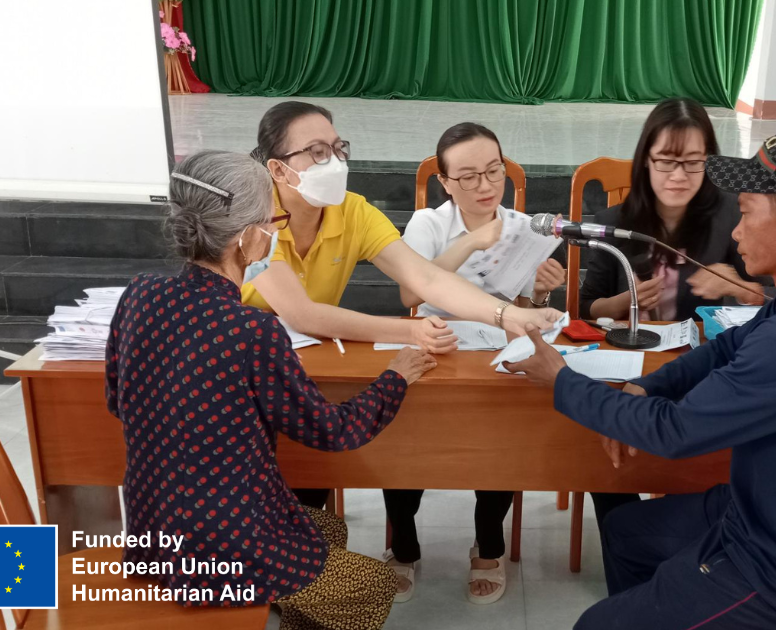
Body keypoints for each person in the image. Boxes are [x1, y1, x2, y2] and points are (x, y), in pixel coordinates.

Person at [506, 123, 776, 630]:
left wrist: (559, 378)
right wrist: (648, 385)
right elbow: (729, 346)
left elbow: (674, 432)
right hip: (761, 517)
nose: (736, 231)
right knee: (626, 532)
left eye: (748, 212)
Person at [105, 150, 439, 630]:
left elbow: (117, 400)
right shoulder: (252, 329)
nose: (276, 229)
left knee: (329, 525)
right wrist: (396, 376)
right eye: (271, 220)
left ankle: (280, 609)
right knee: (370, 585)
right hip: (222, 545)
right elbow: (332, 431)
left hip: (152, 533)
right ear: (246, 238)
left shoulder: (140, 294)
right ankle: (262, 602)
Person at [243, 102, 562, 511]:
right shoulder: (256, 216)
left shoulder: (353, 210)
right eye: (318, 152)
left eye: (339, 148)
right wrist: (409, 330)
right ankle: (292, 555)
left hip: (311, 363)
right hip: (245, 371)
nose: (336, 162)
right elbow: (302, 313)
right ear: (278, 169)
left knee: (310, 476)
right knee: (280, 480)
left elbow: (424, 278)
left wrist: (509, 314)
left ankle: (309, 550)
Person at [383, 123, 566, 605]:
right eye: (468, 177)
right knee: (405, 441)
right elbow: (409, 293)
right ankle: (402, 546)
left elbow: (522, 302)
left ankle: (489, 546)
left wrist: (544, 289)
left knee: (503, 433)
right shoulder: (428, 223)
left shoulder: (523, 225)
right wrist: (471, 241)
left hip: (491, 355)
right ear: (444, 182)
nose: (485, 187)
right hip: (436, 348)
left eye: (493, 172)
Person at [579, 97, 766, 533]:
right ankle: (624, 543)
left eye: (693, 163)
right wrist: (622, 303)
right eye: (666, 161)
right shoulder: (617, 221)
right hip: (628, 366)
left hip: (703, 374)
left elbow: (770, 301)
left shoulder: (731, 218)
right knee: (598, 442)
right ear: (645, 159)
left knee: (700, 463)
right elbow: (585, 308)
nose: (679, 176)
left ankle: (679, 538)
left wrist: (734, 287)